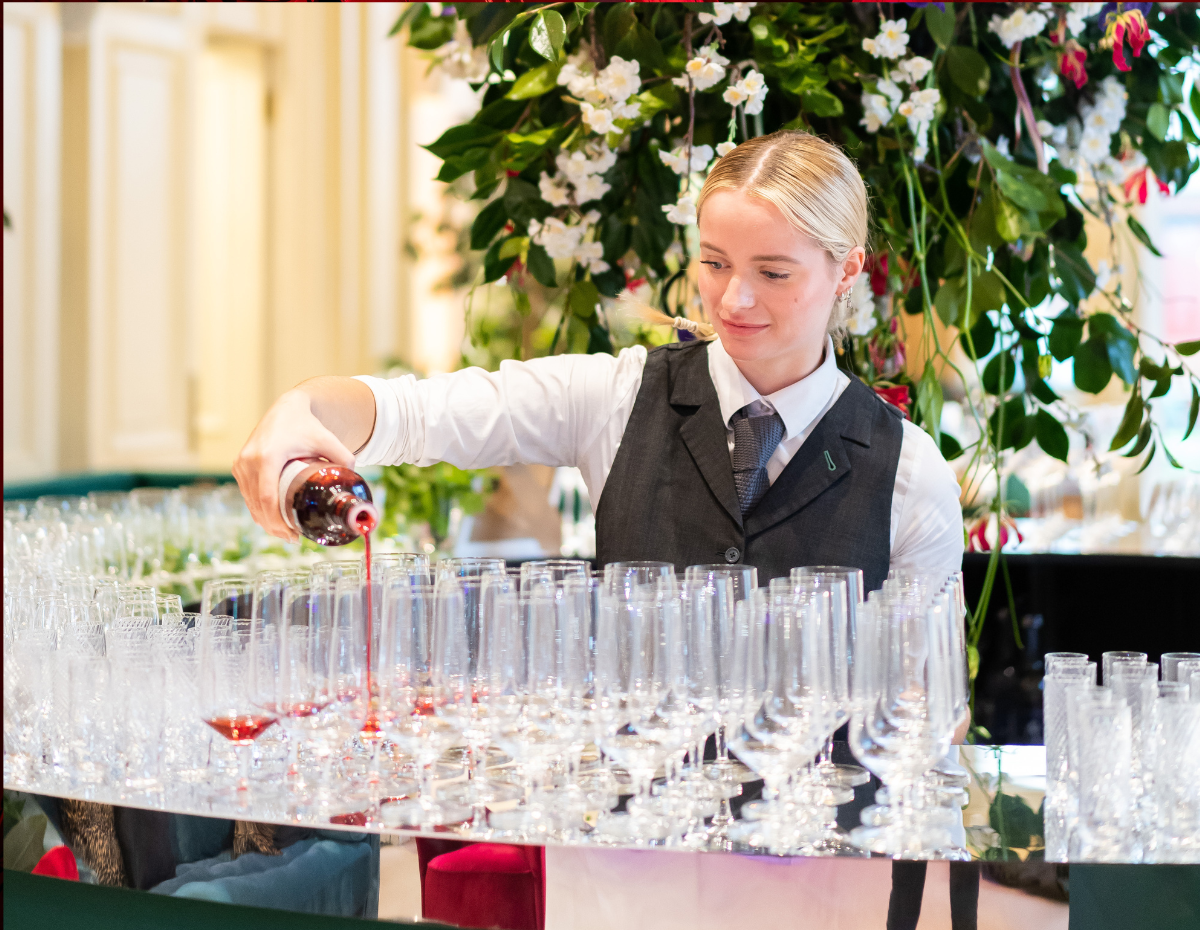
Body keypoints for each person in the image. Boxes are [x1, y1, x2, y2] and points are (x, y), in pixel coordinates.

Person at [234, 130, 963, 594]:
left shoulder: (909, 471)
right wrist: (301, 409)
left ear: (846, 271)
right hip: (630, 834)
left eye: (774, 273)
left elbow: (927, 709)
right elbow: (413, 415)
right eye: (714, 263)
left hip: (825, 836)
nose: (734, 299)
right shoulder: (613, 398)